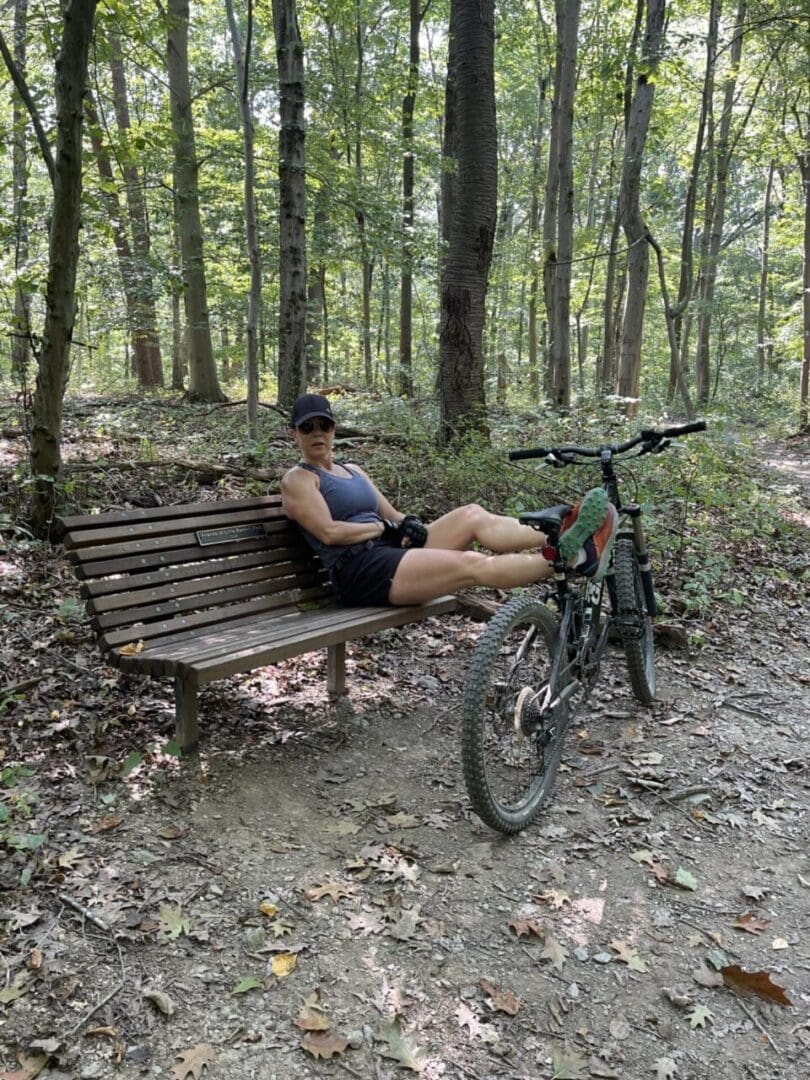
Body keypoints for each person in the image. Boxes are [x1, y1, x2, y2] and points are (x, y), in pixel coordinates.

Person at [280, 393, 618, 608]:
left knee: (471, 514)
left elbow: (393, 515)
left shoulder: (352, 469)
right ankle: (571, 557)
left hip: (388, 551)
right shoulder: (299, 479)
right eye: (307, 428)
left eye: (323, 425)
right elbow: (329, 533)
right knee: (472, 564)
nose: (317, 434)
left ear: (334, 429)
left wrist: (405, 523)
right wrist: (379, 527)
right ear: (295, 434)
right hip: (360, 572)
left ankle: (561, 529)